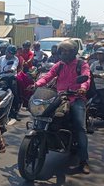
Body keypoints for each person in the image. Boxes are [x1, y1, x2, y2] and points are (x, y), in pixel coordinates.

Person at [35, 38, 91, 174]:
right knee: (43, 114)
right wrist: (36, 84)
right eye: (63, 51)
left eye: (68, 51)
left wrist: (83, 88)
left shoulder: (81, 64)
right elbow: (48, 76)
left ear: (73, 52)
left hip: (76, 98)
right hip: (60, 97)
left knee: (79, 126)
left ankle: (84, 161)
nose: (65, 53)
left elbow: (86, 77)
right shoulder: (59, 65)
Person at [89, 47, 104, 123]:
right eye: (98, 54)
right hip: (93, 85)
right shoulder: (94, 63)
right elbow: (89, 71)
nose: (99, 56)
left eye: (101, 54)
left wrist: (98, 75)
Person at [0, 43, 20, 118]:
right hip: (1, 77)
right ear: (6, 52)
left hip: (11, 78)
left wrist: (11, 70)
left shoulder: (15, 59)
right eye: (9, 53)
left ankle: (15, 111)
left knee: (14, 93)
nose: (10, 55)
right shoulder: (1, 58)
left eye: (12, 54)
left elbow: (14, 66)